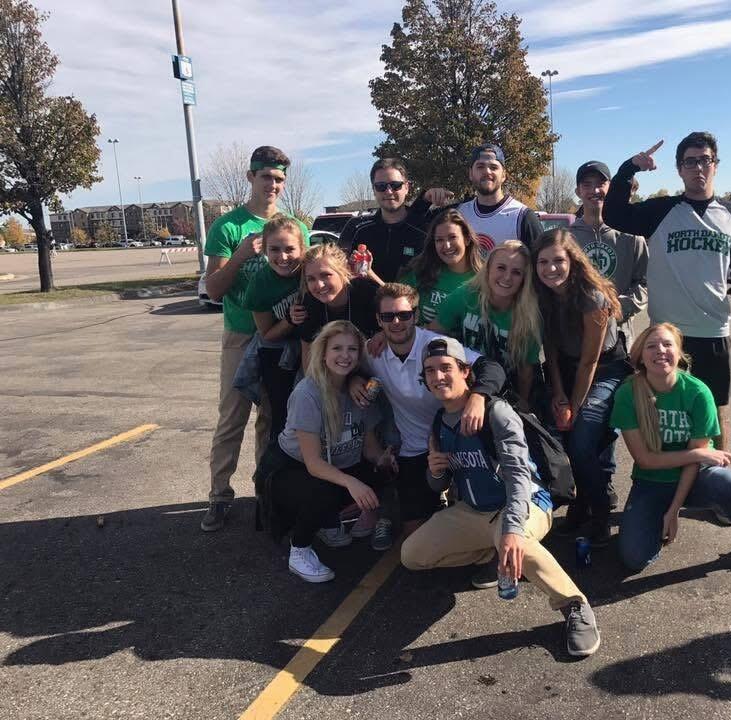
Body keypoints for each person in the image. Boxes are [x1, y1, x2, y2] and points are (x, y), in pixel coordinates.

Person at [401, 336, 601, 658]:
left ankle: (575, 605)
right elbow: (440, 486)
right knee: (412, 555)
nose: (438, 376)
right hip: (475, 511)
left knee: (517, 542)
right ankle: (492, 554)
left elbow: (519, 475)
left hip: (524, 502)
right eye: (430, 370)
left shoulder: (496, 411)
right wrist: (436, 472)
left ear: (465, 371)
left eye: (446, 368)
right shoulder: (440, 422)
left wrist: (511, 529)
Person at [604, 132, 731, 450]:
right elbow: (614, 213)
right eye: (690, 162)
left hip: (713, 330)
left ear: (715, 165)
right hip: (669, 334)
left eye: (705, 160)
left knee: (714, 411)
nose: (698, 168)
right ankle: (666, 472)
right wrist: (629, 168)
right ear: (679, 169)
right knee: (666, 412)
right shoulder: (661, 211)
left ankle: (715, 474)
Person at [608, 323, 731, 578]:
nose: (660, 351)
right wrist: (696, 454)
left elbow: (694, 463)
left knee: (727, 481)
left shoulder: (697, 392)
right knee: (633, 558)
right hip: (652, 481)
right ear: (640, 356)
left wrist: (675, 509)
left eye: (667, 344)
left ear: (679, 352)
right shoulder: (628, 394)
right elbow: (645, 460)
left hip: (695, 477)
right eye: (651, 346)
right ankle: (653, 525)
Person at [201, 145, 310, 532]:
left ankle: (266, 490)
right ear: (251, 177)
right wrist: (241, 255)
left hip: (281, 338)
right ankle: (219, 496)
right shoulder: (228, 227)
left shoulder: (296, 228)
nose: (273, 185)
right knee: (232, 417)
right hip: (241, 333)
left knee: (271, 419)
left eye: (279, 179)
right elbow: (214, 290)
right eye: (266, 177)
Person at [351, 283, 506, 542]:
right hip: (416, 449)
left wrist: (479, 396)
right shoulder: (373, 352)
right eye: (388, 316)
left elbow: (491, 368)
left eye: (404, 315)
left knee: (480, 519)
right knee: (415, 537)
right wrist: (353, 380)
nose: (396, 322)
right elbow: (345, 366)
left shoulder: (436, 346)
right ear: (378, 320)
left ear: (416, 315)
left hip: (460, 441)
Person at [255, 321, 397, 582]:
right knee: (324, 489)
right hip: (289, 470)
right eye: (337, 348)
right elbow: (313, 463)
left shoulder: (361, 391)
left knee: (384, 471)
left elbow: (369, 447)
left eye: (352, 349)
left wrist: (383, 459)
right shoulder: (307, 393)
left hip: (334, 467)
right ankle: (299, 550)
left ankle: (327, 521)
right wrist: (352, 483)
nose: (345, 355)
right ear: (323, 353)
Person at [532, 229, 631, 547]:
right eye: (543, 262)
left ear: (572, 261)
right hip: (566, 368)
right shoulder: (542, 295)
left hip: (605, 369)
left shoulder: (592, 297)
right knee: (558, 433)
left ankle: (599, 514)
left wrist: (573, 407)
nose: (551, 269)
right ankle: (580, 500)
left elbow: (590, 361)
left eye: (558, 261)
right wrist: (558, 394)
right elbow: (551, 350)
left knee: (582, 431)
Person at [432, 240, 542, 410]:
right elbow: (432, 334)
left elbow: (525, 371)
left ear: (524, 279)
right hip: (464, 382)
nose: (507, 277)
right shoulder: (466, 295)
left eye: (516, 272)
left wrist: (522, 402)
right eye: (501, 268)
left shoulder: (529, 317)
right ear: (488, 268)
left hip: (503, 391)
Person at [241, 214, 309, 439]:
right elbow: (267, 334)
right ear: (264, 251)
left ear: (302, 249)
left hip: (317, 347)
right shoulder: (260, 283)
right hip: (279, 354)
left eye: (290, 249)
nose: (283, 257)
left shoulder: (312, 269)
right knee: (282, 417)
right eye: (274, 250)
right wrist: (289, 320)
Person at [569, 160, 648, 348]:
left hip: (620, 338)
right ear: (578, 191)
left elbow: (645, 283)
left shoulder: (632, 236)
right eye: (587, 185)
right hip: (576, 337)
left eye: (600, 184)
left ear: (610, 188)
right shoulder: (566, 238)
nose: (595, 190)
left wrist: (617, 308)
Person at [420, 143, 543, 255]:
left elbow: (541, 262)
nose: (487, 171)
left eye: (493, 167)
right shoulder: (458, 213)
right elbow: (413, 225)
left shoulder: (523, 217)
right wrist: (424, 200)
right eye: (480, 166)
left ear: (504, 175)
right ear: (470, 174)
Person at [339, 158, 428, 283]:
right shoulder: (356, 227)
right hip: (365, 296)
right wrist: (350, 267)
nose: (389, 191)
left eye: (395, 185)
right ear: (374, 190)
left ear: (407, 187)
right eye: (381, 186)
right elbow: (338, 269)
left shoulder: (425, 228)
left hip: (413, 296)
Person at [295, 243, 380, 367]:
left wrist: (385, 333)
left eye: (326, 275)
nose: (319, 285)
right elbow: (308, 357)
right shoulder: (309, 303)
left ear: (343, 271)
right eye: (311, 279)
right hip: (331, 371)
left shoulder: (367, 293)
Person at [398, 208, 483, 324]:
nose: (447, 245)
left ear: (467, 239)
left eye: (452, 237)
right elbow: (393, 299)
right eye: (439, 240)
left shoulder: (485, 278)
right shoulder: (422, 270)